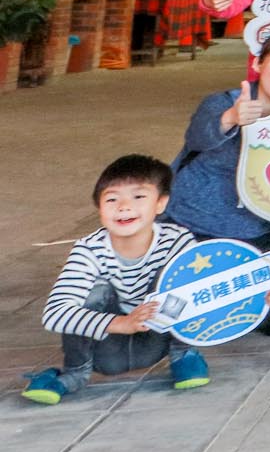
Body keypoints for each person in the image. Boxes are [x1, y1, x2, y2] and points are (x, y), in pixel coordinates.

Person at [169, 27, 270, 337]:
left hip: (251, 232)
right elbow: (197, 138)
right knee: (171, 304)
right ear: (258, 65)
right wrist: (230, 117)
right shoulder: (224, 102)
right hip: (188, 225)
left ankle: (225, 296)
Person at [23, 155, 215, 404]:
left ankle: (184, 356)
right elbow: (54, 314)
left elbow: (208, 290)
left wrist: (258, 298)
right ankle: (73, 374)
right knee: (94, 292)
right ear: (99, 207)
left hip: (157, 339)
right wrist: (122, 323)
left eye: (138, 197)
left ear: (161, 203)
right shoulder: (88, 250)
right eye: (112, 198)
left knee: (180, 275)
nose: (124, 206)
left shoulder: (177, 240)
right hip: (107, 351)